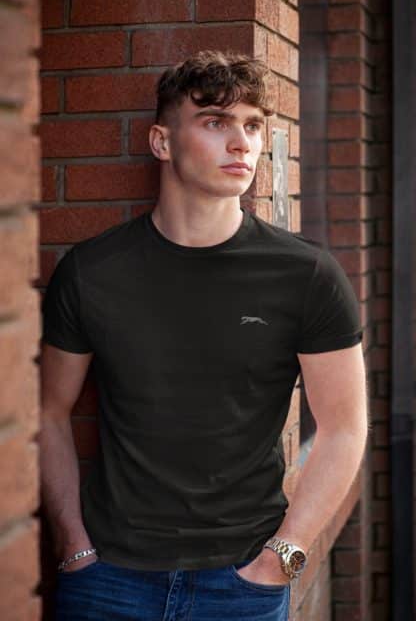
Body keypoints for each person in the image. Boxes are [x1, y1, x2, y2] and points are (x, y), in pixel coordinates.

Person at [39, 50, 368, 621]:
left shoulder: (307, 275)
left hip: (242, 585)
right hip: (107, 581)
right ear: (162, 142)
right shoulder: (92, 272)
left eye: (253, 125)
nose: (241, 143)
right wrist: (73, 548)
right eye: (216, 122)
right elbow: (47, 410)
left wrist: (281, 559)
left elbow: (344, 428)